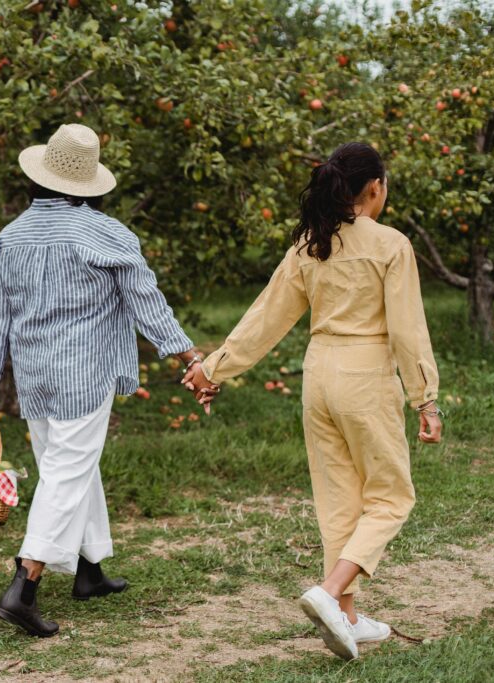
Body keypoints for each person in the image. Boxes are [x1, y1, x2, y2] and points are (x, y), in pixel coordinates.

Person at [183, 142, 443, 660]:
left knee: (338, 499)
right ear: (374, 188)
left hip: (318, 374)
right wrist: (426, 401)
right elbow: (409, 332)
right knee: (392, 496)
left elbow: (266, 318)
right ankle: (328, 594)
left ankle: (347, 617)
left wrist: (212, 368)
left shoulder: (310, 243)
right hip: (366, 374)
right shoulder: (391, 244)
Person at [0, 123, 206, 638]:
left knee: (71, 465)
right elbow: (146, 302)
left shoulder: (12, 236)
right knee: (67, 472)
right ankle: (24, 584)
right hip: (82, 375)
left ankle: (88, 569)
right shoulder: (106, 234)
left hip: (34, 377)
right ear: (87, 182)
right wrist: (186, 352)